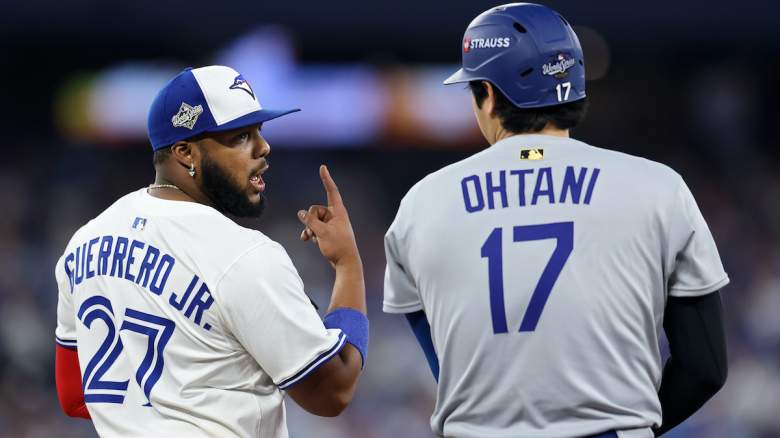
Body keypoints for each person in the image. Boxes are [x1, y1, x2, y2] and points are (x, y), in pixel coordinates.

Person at [382, 4, 728, 438]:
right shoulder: (659, 187)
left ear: (487, 93)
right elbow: (706, 369)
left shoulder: (422, 202)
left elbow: (449, 372)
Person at [54, 65, 368, 437]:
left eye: (259, 131)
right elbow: (333, 391)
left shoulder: (85, 243)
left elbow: (74, 394)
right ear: (185, 152)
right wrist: (348, 265)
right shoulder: (244, 256)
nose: (263, 147)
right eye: (240, 137)